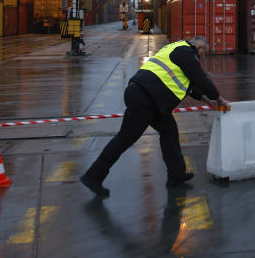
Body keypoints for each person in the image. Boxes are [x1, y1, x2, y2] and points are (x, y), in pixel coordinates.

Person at [80, 36, 229, 197]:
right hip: (145, 98)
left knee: (169, 131)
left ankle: (176, 174)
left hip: (152, 100)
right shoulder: (186, 52)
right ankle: (93, 176)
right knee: (125, 138)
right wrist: (220, 99)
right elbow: (199, 78)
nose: (203, 57)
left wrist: (207, 101)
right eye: (204, 52)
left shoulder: (176, 48)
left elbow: (190, 87)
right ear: (199, 46)